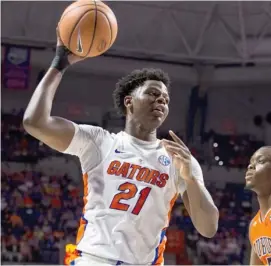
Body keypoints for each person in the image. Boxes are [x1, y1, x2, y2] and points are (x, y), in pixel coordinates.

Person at [23, 30, 219, 265]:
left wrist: (191, 178)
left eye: (166, 99)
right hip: (94, 260)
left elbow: (208, 227)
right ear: (129, 101)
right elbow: (35, 123)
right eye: (153, 94)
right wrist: (59, 64)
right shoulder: (99, 141)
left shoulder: (178, 158)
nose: (161, 101)